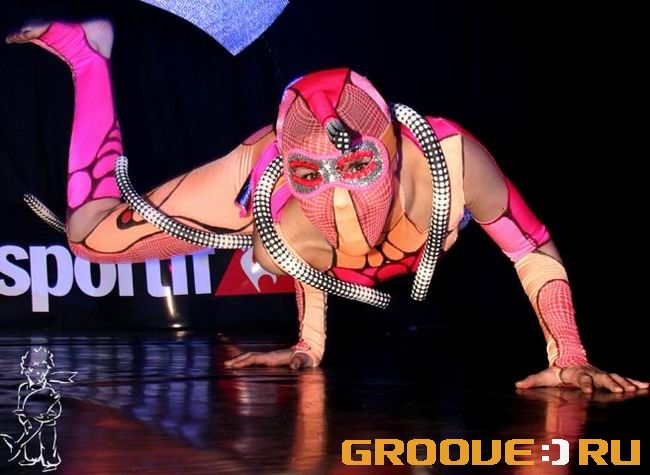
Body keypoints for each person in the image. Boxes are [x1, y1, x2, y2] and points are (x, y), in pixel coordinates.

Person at [6, 20, 647, 394]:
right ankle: (88, 57)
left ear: (393, 148)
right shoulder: (281, 221)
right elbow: (315, 252)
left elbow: (528, 246)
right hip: (256, 172)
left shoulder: (452, 162)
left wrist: (569, 352)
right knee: (88, 240)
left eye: (358, 167)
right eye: (314, 175)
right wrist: (309, 344)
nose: (340, 192)